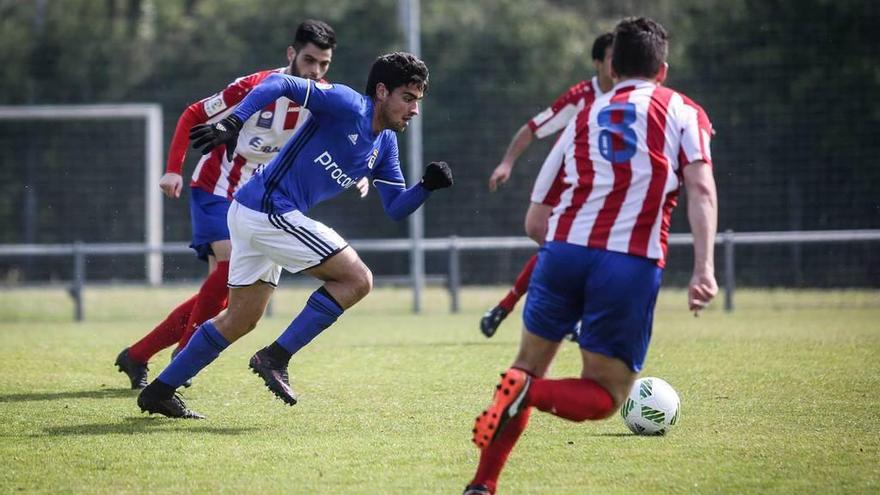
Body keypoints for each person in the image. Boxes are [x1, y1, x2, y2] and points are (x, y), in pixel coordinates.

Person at [463, 17, 718, 495]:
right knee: (606, 394)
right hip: (627, 262)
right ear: (662, 70)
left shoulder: (587, 112)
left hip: (562, 254)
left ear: (614, 66)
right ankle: (529, 394)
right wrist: (704, 269)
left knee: (524, 366)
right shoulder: (683, 111)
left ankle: (483, 484)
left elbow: (544, 201)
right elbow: (701, 188)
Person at [136, 51, 453, 419]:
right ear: (382, 91)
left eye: (418, 101)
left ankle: (159, 391)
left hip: (254, 212)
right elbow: (280, 83)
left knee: (240, 319)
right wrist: (235, 121)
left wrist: (426, 187)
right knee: (358, 279)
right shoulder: (349, 103)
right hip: (268, 208)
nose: (414, 109)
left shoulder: (385, 145)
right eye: (408, 98)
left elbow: (396, 207)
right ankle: (275, 357)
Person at [114, 20, 367, 389]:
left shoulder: (324, 100)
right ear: (291, 53)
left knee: (224, 297)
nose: (316, 71)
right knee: (228, 275)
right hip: (216, 189)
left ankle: (136, 355)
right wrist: (172, 170)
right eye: (310, 60)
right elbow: (194, 114)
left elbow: (346, 141)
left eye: (324, 64)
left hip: (263, 200)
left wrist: (356, 171)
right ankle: (183, 356)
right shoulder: (254, 85)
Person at [480, 33, 614, 338]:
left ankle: (512, 307)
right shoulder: (582, 96)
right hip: (565, 181)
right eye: (611, 57)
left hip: (602, 185)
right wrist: (507, 163)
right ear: (597, 63)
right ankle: (515, 307)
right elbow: (532, 128)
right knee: (552, 240)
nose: (618, 63)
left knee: (571, 248)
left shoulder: (632, 98)